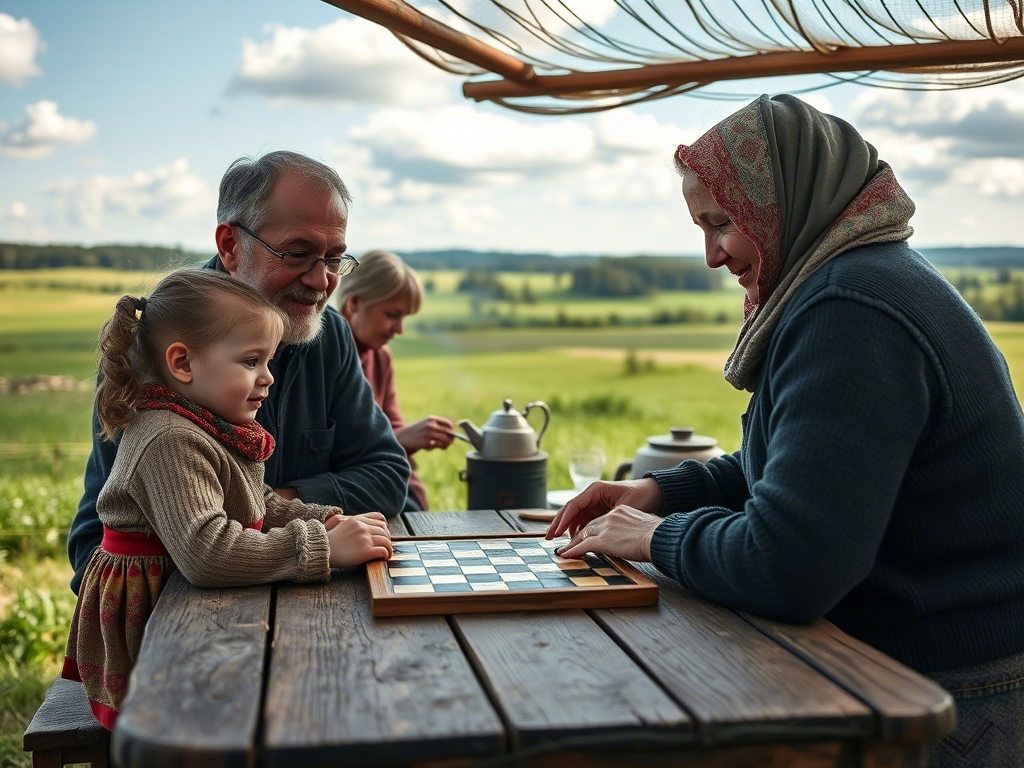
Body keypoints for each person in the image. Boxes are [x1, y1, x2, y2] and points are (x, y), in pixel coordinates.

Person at [547, 94, 1024, 767]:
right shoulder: (847, 283)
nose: (712, 256)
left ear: (783, 202)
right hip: (926, 669)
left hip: (948, 692)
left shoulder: (853, 309)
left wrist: (657, 538)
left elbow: (792, 565)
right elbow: (792, 469)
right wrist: (659, 493)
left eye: (721, 223)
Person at [62, 270, 393, 730]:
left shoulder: (203, 423)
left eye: (269, 361)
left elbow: (255, 503)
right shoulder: (168, 439)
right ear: (183, 363)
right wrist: (321, 547)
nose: (268, 378)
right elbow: (208, 552)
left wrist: (327, 519)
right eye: (252, 361)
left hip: (188, 609)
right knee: (225, 721)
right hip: (152, 639)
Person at [68, 151, 411, 594]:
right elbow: (95, 541)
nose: (321, 280)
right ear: (230, 246)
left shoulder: (331, 336)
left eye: (333, 259)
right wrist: (286, 530)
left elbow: (386, 475)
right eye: (298, 253)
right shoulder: (157, 345)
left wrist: (271, 507)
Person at [335, 249, 455, 510]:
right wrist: (406, 438)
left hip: (394, 495)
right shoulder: (324, 359)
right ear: (354, 303)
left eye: (403, 318)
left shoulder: (381, 359)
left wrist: (410, 439)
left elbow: (390, 439)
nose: (399, 329)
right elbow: (337, 456)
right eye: (392, 315)